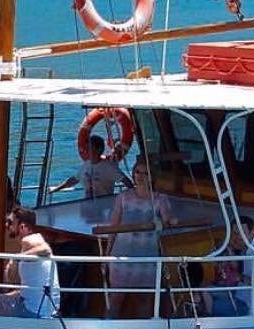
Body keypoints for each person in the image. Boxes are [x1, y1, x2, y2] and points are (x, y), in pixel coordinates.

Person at [104, 156, 174, 318]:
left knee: (145, 299)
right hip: (121, 256)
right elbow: (113, 227)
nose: (140, 176)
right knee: (115, 298)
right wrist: (107, 255)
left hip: (146, 258)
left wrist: (168, 221)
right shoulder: (122, 198)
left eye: (145, 173)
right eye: (137, 172)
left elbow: (167, 219)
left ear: (152, 177)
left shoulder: (160, 199)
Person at [0, 206, 60, 318]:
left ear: (22, 227)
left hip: (33, 311)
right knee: (0, 297)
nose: (6, 226)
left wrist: (17, 258)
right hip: (48, 310)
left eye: (10, 222)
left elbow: (45, 249)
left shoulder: (30, 240)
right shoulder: (31, 242)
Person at [212, 216, 254, 315]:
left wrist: (240, 278)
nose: (237, 237)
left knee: (209, 303)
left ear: (252, 233)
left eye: (242, 234)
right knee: (201, 294)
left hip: (249, 307)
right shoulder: (242, 250)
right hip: (238, 296)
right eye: (234, 234)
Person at [50, 134, 127, 199]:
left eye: (89, 148)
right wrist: (57, 189)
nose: (86, 151)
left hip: (104, 206)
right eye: (86, 148)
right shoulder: (86, 165)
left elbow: (126, 181)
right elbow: (74, 180)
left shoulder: (109, 167)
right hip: (87, 207)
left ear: (99, 149)